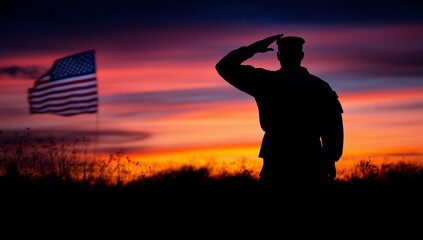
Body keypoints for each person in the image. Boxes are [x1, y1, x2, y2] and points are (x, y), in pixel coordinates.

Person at [215, 34, 344, 186]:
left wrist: (254, 49)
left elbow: (224, 66)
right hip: (309, 159)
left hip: (277, 158)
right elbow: (334, 127)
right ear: (301, 55)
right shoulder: (320, 87)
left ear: (278, 56)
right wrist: (331, 159)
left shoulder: (266, 81)